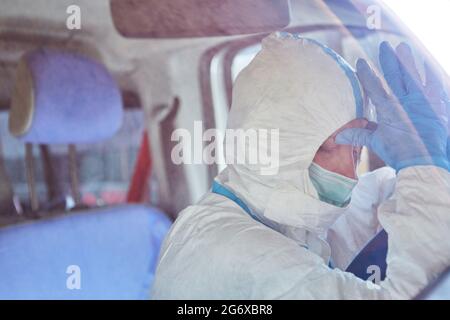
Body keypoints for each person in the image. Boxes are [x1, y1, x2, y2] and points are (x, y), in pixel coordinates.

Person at [151, 32, 450, 299]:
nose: (350, 174)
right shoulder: (230, 253)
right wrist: (423, 170)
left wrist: (435, 156)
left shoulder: (279, 208)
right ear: (277, 149)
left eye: (358, 148)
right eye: (329, 147)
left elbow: (380, 194)